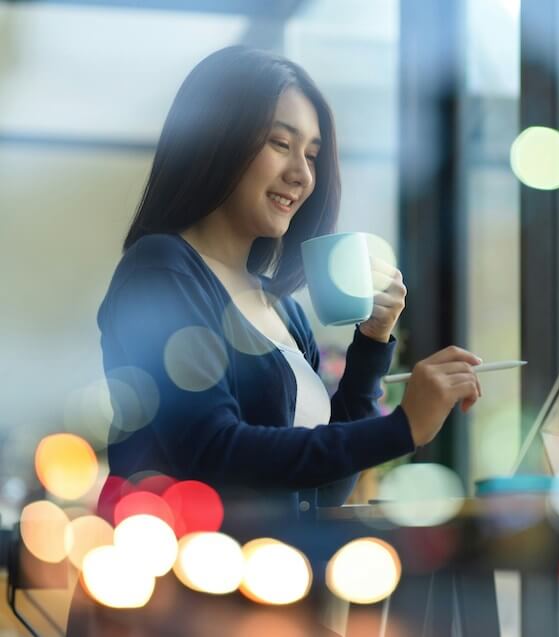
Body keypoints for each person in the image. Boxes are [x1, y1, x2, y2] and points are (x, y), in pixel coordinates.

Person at [67, 46, 483, 636]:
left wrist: (371, 345)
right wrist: (402, 428)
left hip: (265, 601)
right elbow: (215, 453)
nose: (301, 174)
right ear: (216, 140)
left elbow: (322, 485)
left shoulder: (283, 309)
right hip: (171, 609)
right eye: (280, 144)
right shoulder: (160, 271)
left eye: (312, 154)